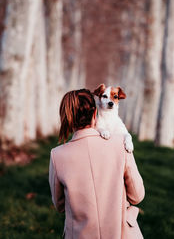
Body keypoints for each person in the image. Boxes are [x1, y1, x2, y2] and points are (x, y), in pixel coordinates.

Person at [49, 89, 145, 239]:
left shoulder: (57, 155)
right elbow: (137, 196)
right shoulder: (120, 144)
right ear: (95, 113)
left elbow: (60, 205)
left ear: (67, 118)